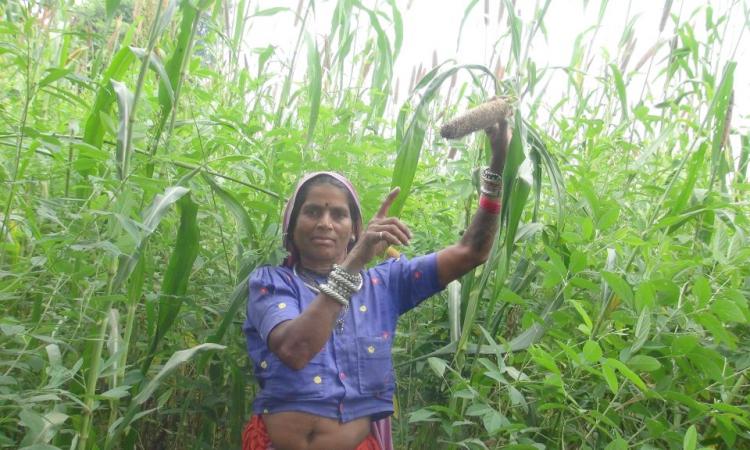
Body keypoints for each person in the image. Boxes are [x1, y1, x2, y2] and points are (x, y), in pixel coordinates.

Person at [242, 119, 510, 450]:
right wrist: (355, 261)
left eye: (338, 215)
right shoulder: (270, 282)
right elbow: (295, 350)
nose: (325, 223)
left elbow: (471, 252)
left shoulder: (385, 285)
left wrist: (497, 163)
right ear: (292, 226)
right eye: (312, 212)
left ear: (355, 229)